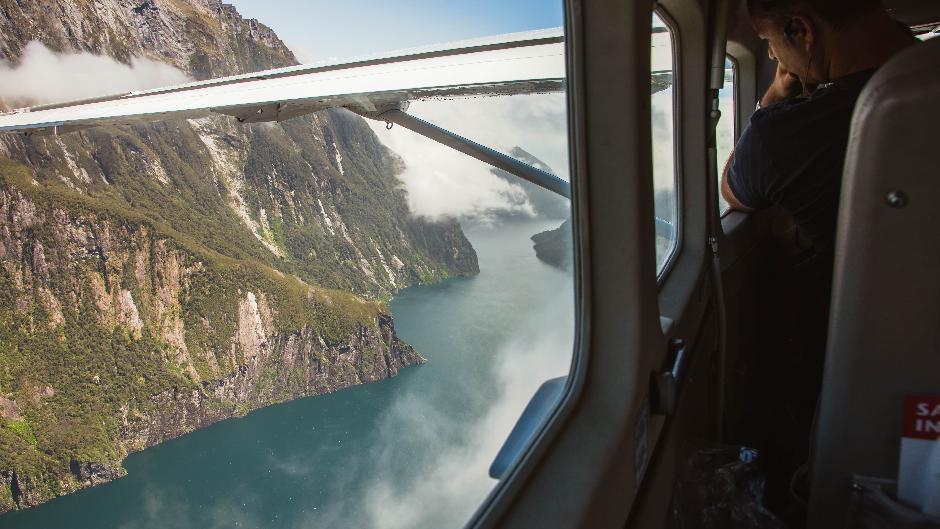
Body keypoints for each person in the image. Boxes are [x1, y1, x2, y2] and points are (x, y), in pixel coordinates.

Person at [721, 0, 916, 266]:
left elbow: (734, 192)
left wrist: (773, 97)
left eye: (768, 39)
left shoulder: (784, 132)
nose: (771, 55)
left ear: (801, 30)